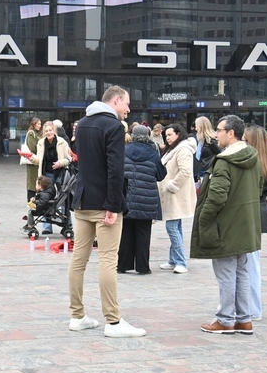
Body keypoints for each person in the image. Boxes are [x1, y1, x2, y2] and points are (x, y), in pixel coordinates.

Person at [68, 86, 145, 338]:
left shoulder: (83, 125)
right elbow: (115, 169)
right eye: (127, 104)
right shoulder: (114, 127)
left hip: (82, 200)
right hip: (105, 203)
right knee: (108, 261)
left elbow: (84, 162)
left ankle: (77, 316)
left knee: (78, 261)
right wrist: (113, 205)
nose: (128, 109)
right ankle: (113, 321)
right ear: (116, 100)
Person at [192, 114, 262, 335]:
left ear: (231, 133)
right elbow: (259, 187)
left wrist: (204, 219)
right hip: (246, 225)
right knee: (242, 272)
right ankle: (244, 319)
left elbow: (217, 196)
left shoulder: (224, 161)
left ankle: (225, 319)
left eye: (219, 130)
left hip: (225, 226)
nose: (215, 134)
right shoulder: (253, 157)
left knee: (226, 274)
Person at [117, 125, 165, 275]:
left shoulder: (123, 151)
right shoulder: (153, 153)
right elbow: (161, 175)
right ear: (148, 136)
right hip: (147, 199)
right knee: (144, 233)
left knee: (126, 232)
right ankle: (143, 267)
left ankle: (123, 265)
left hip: (126, 197)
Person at [243, 125, 267, 321]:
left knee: (250, 264)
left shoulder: (254, 163)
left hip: (252, 213)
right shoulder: (266, 162)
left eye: (246, 140)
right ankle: (250, 306)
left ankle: (253, 308)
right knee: (250, 262)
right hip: (259, 212)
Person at [159, 123, 197, 274]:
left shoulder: (182, 150)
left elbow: (185, 171)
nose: (167, 138)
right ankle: (173, 259)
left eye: (170, 135)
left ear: (178, 134)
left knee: (172, 227)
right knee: (176, 227)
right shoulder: (175, 149)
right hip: (173, 194)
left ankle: (180, 261)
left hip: (176, 194)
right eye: (166, 135)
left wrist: (171, 185)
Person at [192, 116, 220, 182]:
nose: (196, 129)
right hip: (201, 171)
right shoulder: (201, 141)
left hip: (208, 171)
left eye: (196, 126)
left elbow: (220, 154)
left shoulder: (211, 141)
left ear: (201, 126)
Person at [23, 117, 42, 201]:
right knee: (32, 180)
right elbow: (32, 148)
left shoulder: (37, 133)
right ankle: (30, 200)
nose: (40, 126)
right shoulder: (31, 133)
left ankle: (34, 200)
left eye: (40, 124)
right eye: (38, 124)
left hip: (37, 161)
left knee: (37, 180)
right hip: (32, 160)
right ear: (33, 124)